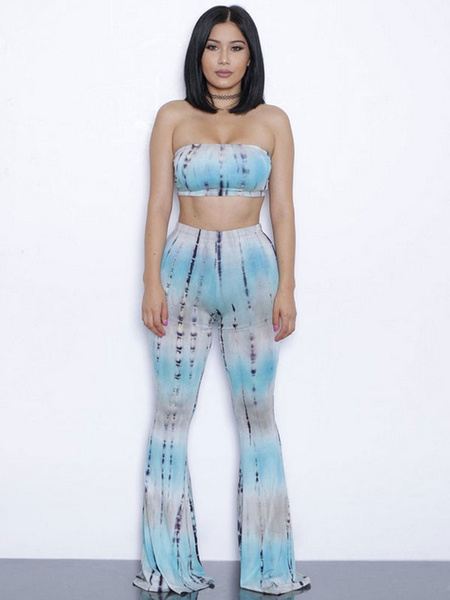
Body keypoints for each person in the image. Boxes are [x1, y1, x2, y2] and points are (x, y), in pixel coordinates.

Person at [132, 4, 312, 596]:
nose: (224, 59)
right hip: (181, 266)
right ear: (198, 54)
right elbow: (159, 203)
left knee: (257, 413)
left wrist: (287, 285)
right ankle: (166, 563)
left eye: (236, 47)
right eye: (213, 47)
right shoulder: (173, 116)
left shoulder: (274, 121)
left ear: (251, 56)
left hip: (253, 268)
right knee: (170, 412)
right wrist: (150, 281)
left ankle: (269, 566)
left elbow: (282, 209)